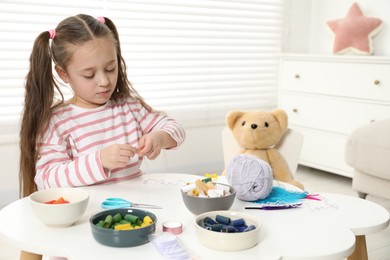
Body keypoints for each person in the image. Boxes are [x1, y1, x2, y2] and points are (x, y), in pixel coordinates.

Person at [18, 14, 186, 260]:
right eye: (89, 74)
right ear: (64, 74)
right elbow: (47, 178)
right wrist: (98, 161)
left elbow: (174, 127)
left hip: (133, 225)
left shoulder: (128, 106)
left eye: (110, 68)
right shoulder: (58, 121)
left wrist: (160, 137)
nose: (105, 81)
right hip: (81, 231)